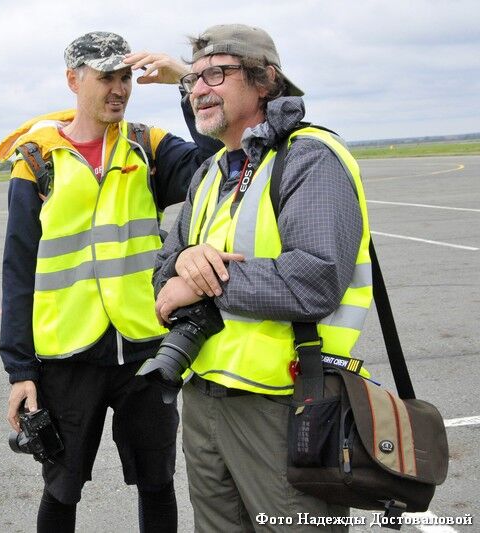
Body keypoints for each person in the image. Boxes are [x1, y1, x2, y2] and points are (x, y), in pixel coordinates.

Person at [0, 31, 221, 532]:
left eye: (125, 78)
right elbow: (18, 271)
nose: (118, 89)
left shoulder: (147, 146)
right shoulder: (37, 160)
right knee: (61, 489)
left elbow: (217, 166)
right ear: (74, 79)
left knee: (158, 482)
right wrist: (20, 370)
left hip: (145, 346)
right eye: (106, 78)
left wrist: (187, 83)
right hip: (67, 354)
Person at [150, 24, 372, 531]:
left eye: (216, 74)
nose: (199, 88)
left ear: (264, 80)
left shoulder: (308, 157)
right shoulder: (210, 174)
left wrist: (204, 282)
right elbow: (163, 271)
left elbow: (316, 280)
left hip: (284, 405)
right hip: (203, 395)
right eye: (193, 80)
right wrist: (183, 262)